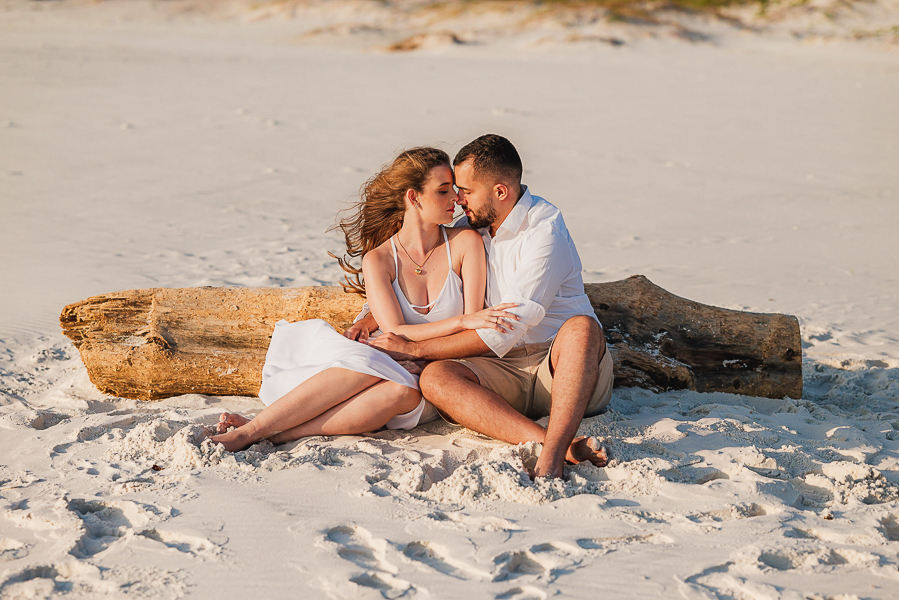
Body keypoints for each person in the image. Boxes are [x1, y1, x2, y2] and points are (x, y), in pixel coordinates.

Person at [209, 147, 518, 452]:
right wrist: (456, 323)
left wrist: (424, 350)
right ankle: (253, 430)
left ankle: (276, 435)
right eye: (443, 190)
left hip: (433, 371)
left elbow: (470, 333)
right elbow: (396, 329)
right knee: (369, 363)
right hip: (388, 355)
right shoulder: (379, 259)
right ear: (414, 197)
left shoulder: (466, 243)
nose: (456, 198)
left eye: (454, 189)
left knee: (400, 390)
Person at [350, 134, 614, 479]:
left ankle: (551, 458)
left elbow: (500, 334)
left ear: (500, 192)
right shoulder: (470, 227)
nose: (458, 199)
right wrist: (372, 319)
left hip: (561, 368)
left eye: (466, 191)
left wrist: (415, 348)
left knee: (582, 328)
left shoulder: (543, 232)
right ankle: (558, 444)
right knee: (437, 378)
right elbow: (424, 277)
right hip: (500, 371)